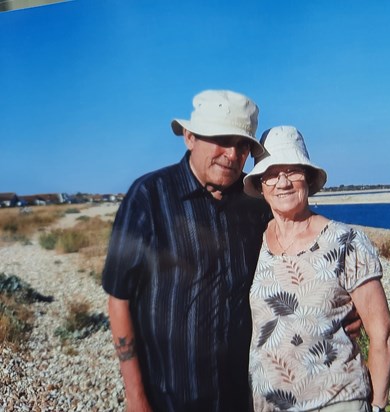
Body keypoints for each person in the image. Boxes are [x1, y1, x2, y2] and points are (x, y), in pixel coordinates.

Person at [102, 91, 362, 411]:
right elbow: (119, 299)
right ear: (190, 137)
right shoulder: (148, 197)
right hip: (168, 394)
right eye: (222, 140)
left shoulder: (256, 205)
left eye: (243, 145)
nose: (232, 153)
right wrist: (136, 398)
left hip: (242, 394)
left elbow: (303, 256)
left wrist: (350, 306)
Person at [243, 126, 390, 412]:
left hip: (336, 401)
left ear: (309, 178)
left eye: (293, 171)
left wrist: (377, 407)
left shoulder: (345, 242)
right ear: (261, 184)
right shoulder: (254, 242)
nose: (283, 182)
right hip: (269, 405)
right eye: (272, 173)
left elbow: (383, 333)